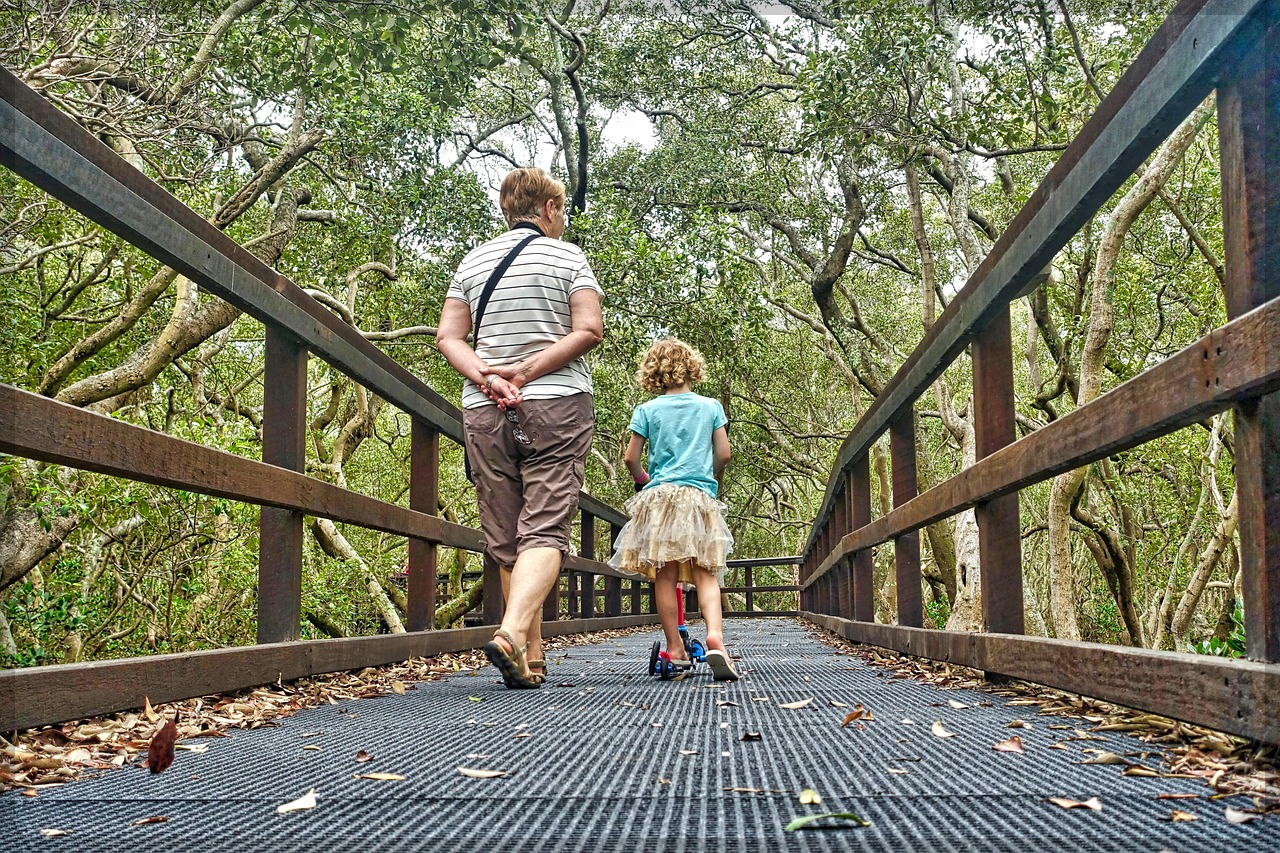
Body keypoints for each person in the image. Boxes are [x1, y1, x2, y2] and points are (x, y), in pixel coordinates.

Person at [436, 167, 603, 689]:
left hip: (484, 411)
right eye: (562, 212)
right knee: (545, 528)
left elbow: (448, 337)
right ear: (550, 209)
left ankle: (531, 659)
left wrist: (489, 377)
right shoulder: (567, 256)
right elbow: (589, 330)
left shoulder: (472, 261)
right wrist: (524, 374)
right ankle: (511, 634)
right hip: (555, 403)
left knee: (507, 534)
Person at [609, 339, 738, 680]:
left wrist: (642, 477)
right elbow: (723, 453)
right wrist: (705, 476)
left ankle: (676, 650)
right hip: (698, 496)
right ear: (693, 367)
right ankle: (716, 638)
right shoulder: (710, 407)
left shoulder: (647, 411)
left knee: (665, 575)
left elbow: (630, 459)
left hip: (660, 499)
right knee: (706, 572)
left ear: (653, 373)